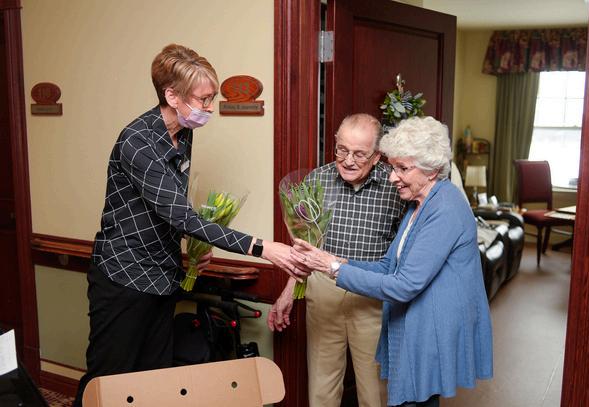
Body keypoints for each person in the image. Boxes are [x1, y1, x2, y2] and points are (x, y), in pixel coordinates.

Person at [73, 44, 309, 407]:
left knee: (154, 382)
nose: (210, 108)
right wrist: (264, 248)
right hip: (124, 277)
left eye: (212, 98)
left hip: (162, 276)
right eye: (203, 99)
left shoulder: (183, 133)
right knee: (107, 382)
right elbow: (181, 216)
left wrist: (193, 250)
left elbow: (170, 207)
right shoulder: (137, 141)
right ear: (172, 95)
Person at [292, 116, 493, 407]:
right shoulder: (420, 204)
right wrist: (337, 260)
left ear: (431, 169)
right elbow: (389, 265)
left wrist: (333, 268)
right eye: (394, 167)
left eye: (402, 168)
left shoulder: (445, 207)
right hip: (414, 325)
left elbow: (404, 284)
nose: (392, 177)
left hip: (430, 331)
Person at [267, 113, 407, 407]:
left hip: (371, 294)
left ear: (377, 155)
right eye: (342, 150)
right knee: (322, 386)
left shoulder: (396, 186)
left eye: (359, 154)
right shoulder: (316, 180)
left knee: (375, 391)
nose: (348, 160)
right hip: (323, 292)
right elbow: (305, 245)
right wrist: (289, 290)